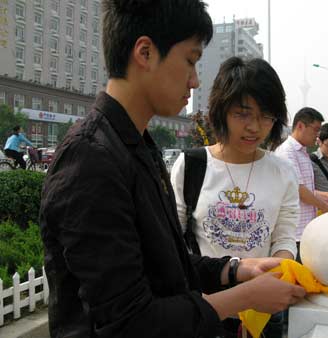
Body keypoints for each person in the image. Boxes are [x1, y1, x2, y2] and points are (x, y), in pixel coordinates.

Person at [39, 1, 305, 337]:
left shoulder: (136, 146)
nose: (195, 81)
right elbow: (130, 322)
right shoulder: (90, 162)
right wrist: (245, 296)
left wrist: (237, 269)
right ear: (146, 52)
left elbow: (168, 265)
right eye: (191, 60)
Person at [171, 56, 299, 337]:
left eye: (266, 116)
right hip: (204, 305)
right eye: (243, 113)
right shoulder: (191, 165)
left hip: (262, 308)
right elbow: (173, 240)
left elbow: (285, 237)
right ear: (221, 111)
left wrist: (275, 273)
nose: (254, 127)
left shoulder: (284, 172)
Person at [275, 107, 328, 261]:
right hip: (294, 234)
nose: (317, 135)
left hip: (305, 229)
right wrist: (325, 206)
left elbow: (308, 189)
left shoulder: (302, 152)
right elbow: (299, 190)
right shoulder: (287, 152)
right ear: (300, 126)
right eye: (315, 129)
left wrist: (327, 198)